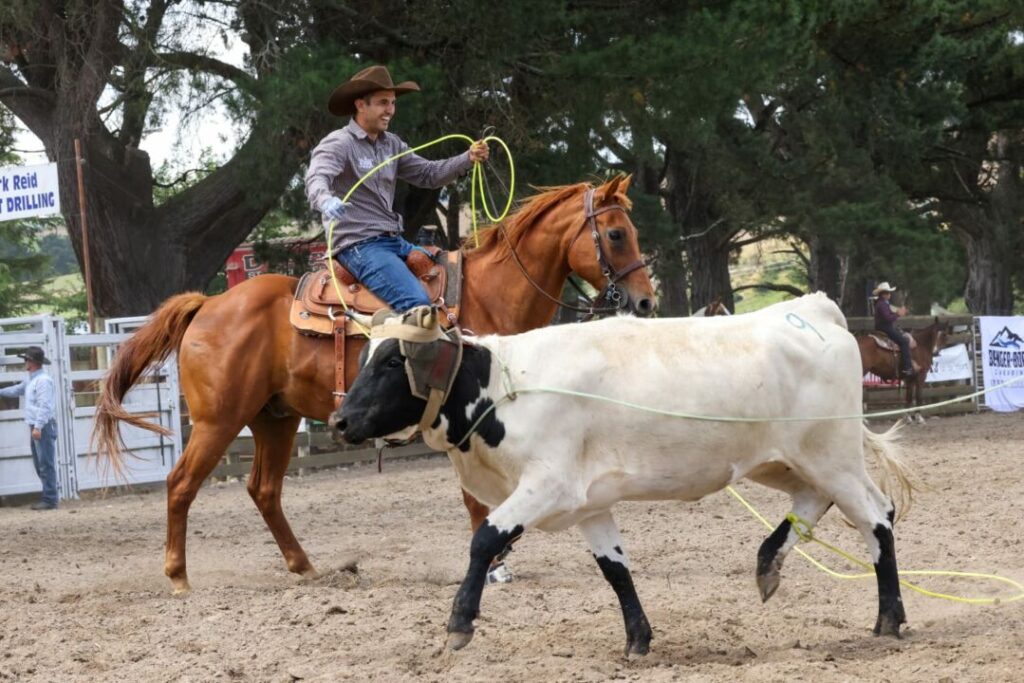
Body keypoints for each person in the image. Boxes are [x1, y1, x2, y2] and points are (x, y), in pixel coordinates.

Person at [305, 65, 489, 311]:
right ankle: (390, 347)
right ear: (361, 105)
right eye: (383, 103)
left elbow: (428, 174)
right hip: (358, 245)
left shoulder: (392, 144)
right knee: (417, 304)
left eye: (392, 103)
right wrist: (326, 200)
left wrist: (467, 158)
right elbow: (316, 177)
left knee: (456, 280)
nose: (390, 110)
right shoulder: (339, 143)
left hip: (393, 241)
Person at [0, 346, 59, 509]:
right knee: (41, 462)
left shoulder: (43, 381)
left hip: (42, 425)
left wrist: (38, 427)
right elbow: (17, 390)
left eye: (26, 359)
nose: (24, 362)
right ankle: (49, 496)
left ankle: (50, 499)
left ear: (32, 362)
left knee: (45, 463)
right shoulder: (31, 379)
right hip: (38, 425)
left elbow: (45, 406)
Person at [873, 282, 913, 378]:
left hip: (883, 326)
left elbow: (888, 315)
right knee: (904, 342)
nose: (889, 295)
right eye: (887, 293)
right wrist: (898, 314)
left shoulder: (881, 303)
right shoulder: (883, 304)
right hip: (885, 327)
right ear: (883, 294)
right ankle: (907, 367)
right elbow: (888, 318)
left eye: (889, 293)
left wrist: (897, 313)